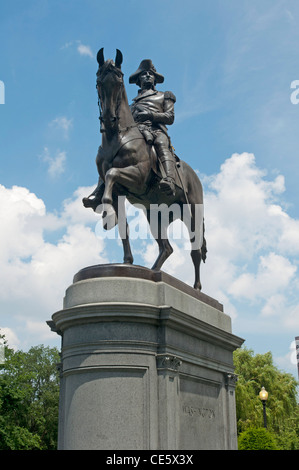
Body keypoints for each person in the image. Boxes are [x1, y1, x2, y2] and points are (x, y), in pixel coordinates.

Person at [129, 59, 177, 195]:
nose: (148, 76)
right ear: (139, 79)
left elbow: (170, 117)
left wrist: (150, 115)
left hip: (156, 130)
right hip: (137, 133)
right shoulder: (131, 105)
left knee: (161, 143)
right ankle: (101, 189)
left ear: (155, 78)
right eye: (144, 74)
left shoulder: (164, 96)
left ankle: (169, 180)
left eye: (151, 73)